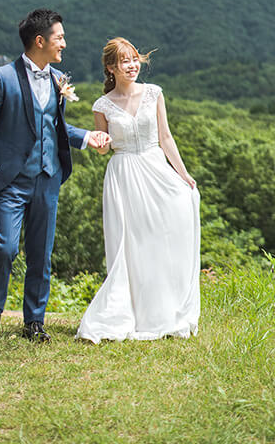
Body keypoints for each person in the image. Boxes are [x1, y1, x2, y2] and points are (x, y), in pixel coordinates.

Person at [0, 8, 110, 342]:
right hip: (11, 181)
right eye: (60, 38)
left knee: (41, 253)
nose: (64, 44)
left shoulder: (58, 81)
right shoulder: (2, 77)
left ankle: (34, 322)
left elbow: (54, 127)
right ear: (40, 41)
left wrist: (88, 137)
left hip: (48, 178)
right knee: (5, 247)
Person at [76, 37, 200, 342]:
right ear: (110, 68)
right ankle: (129, 314)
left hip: (156, 170)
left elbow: (166, 138)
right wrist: (100, 143)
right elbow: (104, 148)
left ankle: (164, 311)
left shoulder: (154, 93)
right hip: (123, 176)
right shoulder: (101, 105)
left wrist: (183, 175)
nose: (132, 66)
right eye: (124, 61)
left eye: (134, 59)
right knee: (130, 245)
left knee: (160, 238)